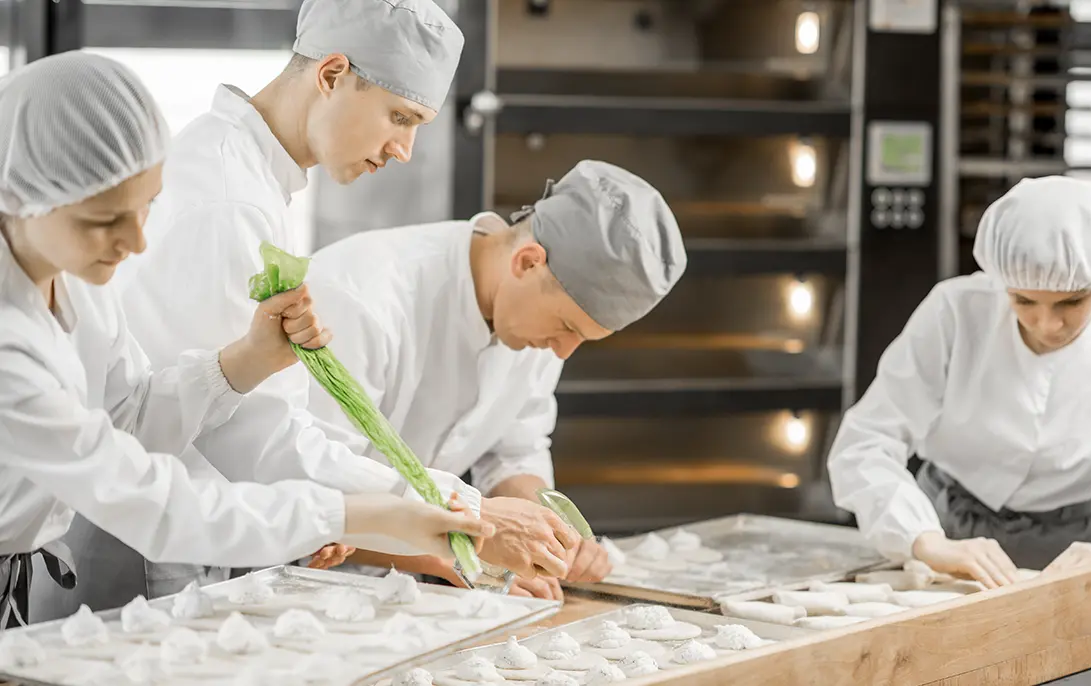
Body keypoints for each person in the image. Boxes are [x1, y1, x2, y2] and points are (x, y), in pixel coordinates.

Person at [1, 51, 493, 629]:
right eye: (105, 221)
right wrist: (361, 515)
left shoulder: (76, 282)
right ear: (21, 195)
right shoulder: (9, 346)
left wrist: (244, 362)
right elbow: (150, 499)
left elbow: (128, 417)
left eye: (146, 208)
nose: (136, 243)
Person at [114, 0, 573, 603]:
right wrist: (463, 512)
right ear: (331, 75)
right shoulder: (228, 199)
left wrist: (344, 518)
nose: (404, 149)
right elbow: (255, 441)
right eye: (400, 117)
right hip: (141, 562)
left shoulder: (251, 177)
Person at [303, 160, 687, 598]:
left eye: (583, 338)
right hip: (281, 582)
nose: (563, 351)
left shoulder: (537, 321)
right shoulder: (363, 296)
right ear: (527, 262)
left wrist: (550, 534)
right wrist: (463, 553)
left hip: (396, 592)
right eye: (567, 327)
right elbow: (313, 491)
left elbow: (514, 453)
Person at [828, 176, 1091, 588]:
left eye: (1071, 301)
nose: (1047, 324)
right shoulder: (955, 313)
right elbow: (865, 443)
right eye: (1024, 300)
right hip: (945, 532)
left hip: (1073, 550)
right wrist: (924, 540)